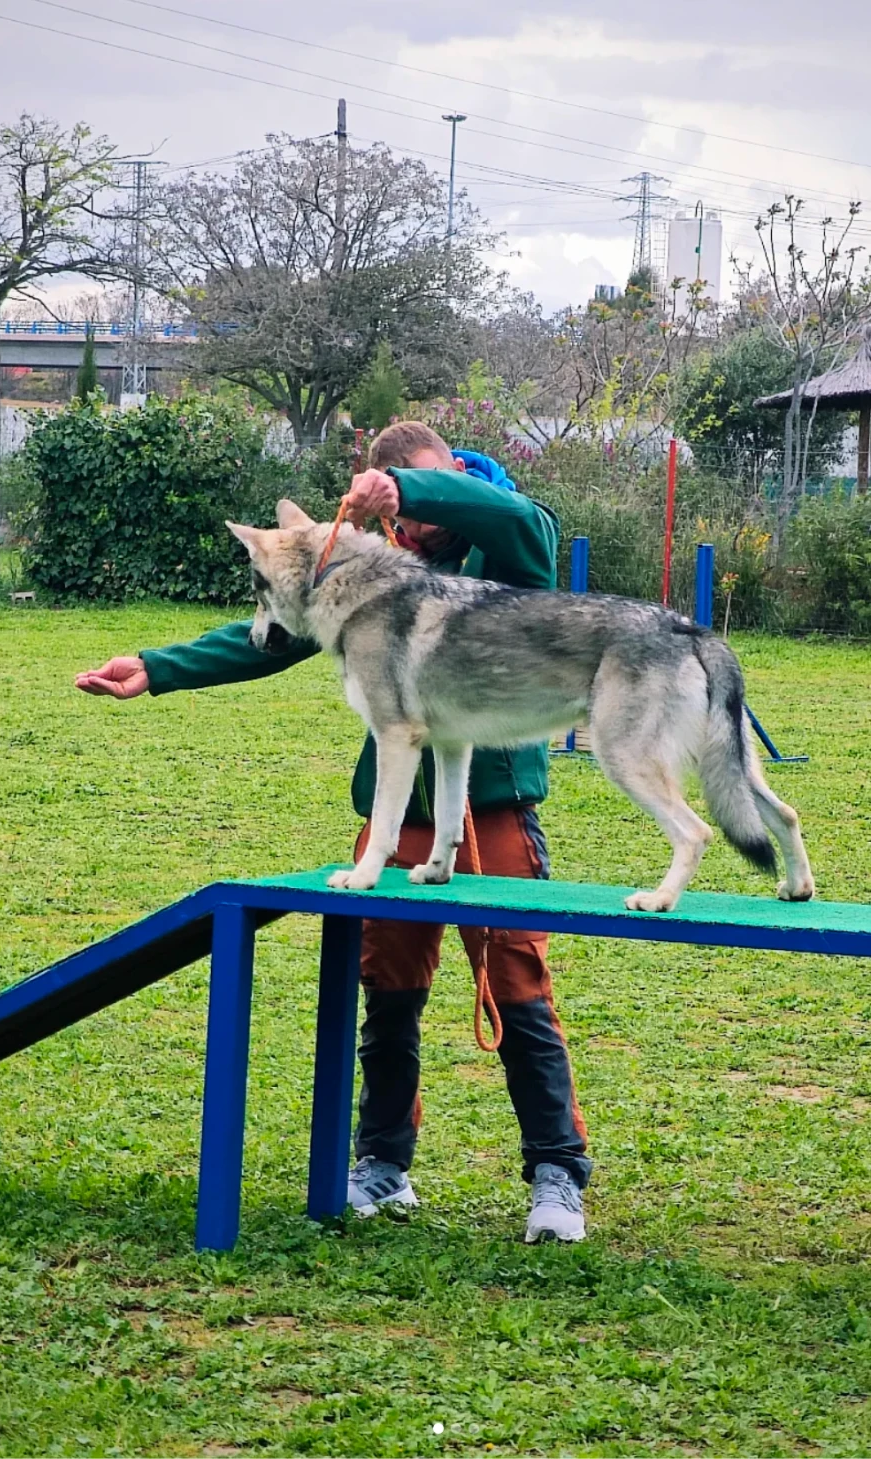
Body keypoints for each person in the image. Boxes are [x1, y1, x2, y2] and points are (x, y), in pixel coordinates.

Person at [76, 421, 592, 1242]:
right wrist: (161, 666)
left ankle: (558, 1173)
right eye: (403, 514)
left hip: (491, 805)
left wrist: (409, 492)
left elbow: (526, 526)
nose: (414, 529)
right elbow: (283, 626)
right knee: (387, 989)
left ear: (449, 473)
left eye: (421, 499)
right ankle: (381, 1162)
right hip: (398, 813)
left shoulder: (504, 534)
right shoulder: (375, 556)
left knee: (517, 983)